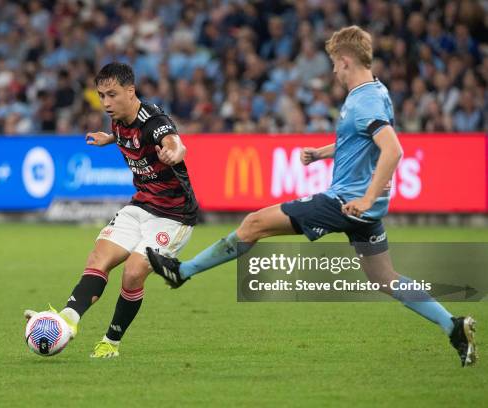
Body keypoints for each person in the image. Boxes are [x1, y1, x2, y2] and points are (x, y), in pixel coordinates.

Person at [147, 26, 477, 367]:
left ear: (346, 61)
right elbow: (361, 142)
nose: (333, 71)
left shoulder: (363, 101)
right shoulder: (376, 91)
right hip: (363, 209)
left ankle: (182, 272)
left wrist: (365, 199)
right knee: (384, 278)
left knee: (253, 223)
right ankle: (452, 326)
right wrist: (323, 154)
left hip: (346, 203)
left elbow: (392, 151)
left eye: (335, 64)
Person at [26, 62, 198, 358]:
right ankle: (68, 319)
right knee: (98, 258)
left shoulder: (153, 120)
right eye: (101, 95)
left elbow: (173, 140)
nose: (105, 103)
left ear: (130, 92)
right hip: (141, 205)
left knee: (132, 273)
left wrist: (174, 151)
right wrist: (109, 138)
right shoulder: (118, 120)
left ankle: (111, 342)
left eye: (112, 95)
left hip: (173, 217)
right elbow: (125, 135)